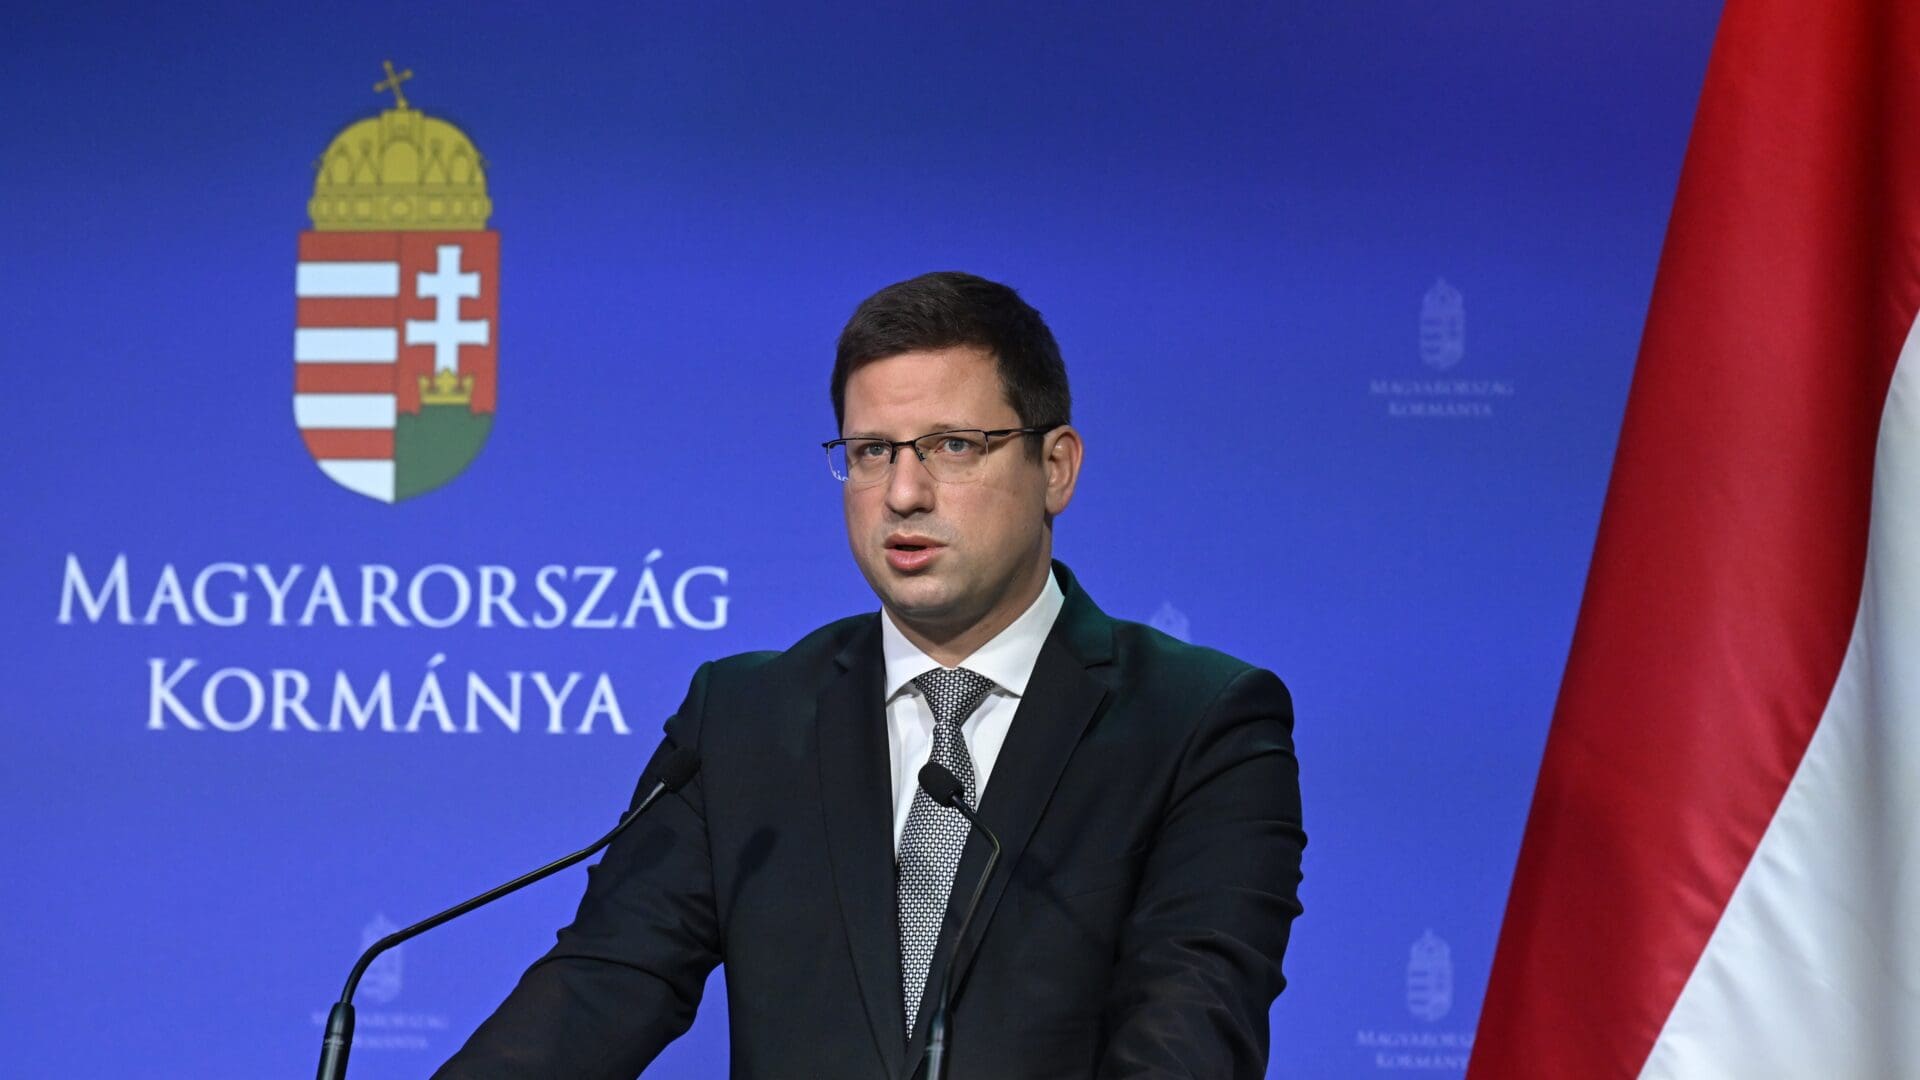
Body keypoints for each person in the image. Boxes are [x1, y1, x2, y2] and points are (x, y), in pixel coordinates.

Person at [434, 271, 1305, 1079]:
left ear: (1056, 468)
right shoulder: (743, 720)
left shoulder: (1200, 725)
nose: (903, 492)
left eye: (954, 445)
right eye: (871, 451)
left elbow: (1188, 1038)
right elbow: (594, 993)